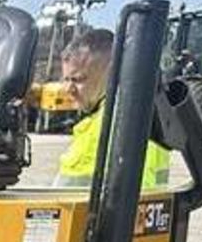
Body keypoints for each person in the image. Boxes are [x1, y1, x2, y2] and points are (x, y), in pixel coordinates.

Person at [56, 28, 172, 188]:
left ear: (111, 72)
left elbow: (61, 204)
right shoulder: (146, 115)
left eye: (78, 79)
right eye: (66, 79)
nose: (68, 89)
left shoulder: (104, 127)